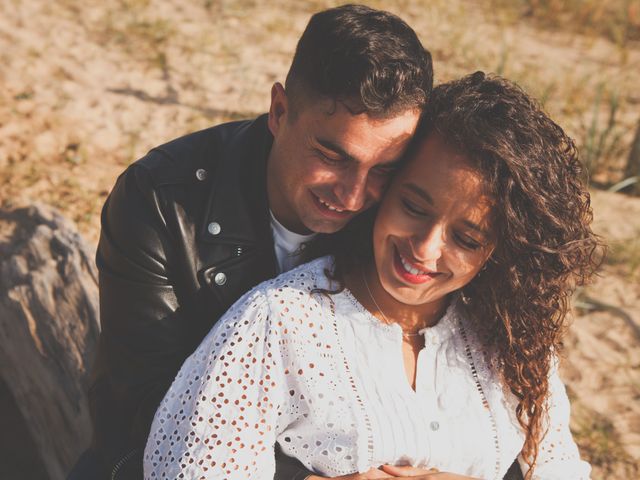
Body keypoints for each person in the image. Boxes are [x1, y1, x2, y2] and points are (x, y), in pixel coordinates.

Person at [143, 72, 601, 480]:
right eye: (414, 207)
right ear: (385, 188)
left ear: (502, 250)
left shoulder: (512, 340)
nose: (424, 248)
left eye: (466, 238)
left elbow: (559, 466)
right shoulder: (279, 321)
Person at [67, 4, 434, 480]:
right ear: (279, 112)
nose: (354, 195)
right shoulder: (158, 201)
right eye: (331, 155)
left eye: (382, 169)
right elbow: (144, 407)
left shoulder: (408, 215)